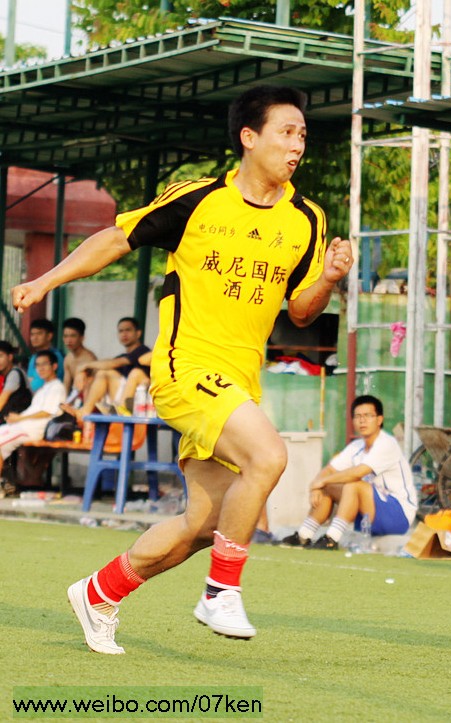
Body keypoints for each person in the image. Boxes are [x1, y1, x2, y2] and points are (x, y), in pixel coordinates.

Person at [12, 85, 353, 654]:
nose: (298, 146)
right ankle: (221, 591)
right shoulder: (199, 199)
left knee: (204, 525)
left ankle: (100, 592)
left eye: (302, 136)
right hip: (183, 368)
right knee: (269, 457)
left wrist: (328, 279)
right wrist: (46, 280)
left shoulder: (307, 219)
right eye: (287, 133)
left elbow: (299, 311)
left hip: (240, 384)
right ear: (250, 137)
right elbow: (115, 239)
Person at [280, 395, 417, 550]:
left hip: (398, 516)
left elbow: (358, 473)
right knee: (329, 486)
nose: (362, 420)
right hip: (372, 511)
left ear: (379, 420)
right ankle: (304, 536)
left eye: (368, 416)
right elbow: (330, 469)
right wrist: (317, 486)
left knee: (353, 485)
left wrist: (321, 481)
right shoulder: (356, 446)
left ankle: (332, 538)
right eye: (358, 416)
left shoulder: (387, 444)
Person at [62, 317, 150, 422]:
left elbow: (115, 363)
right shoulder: (122, 356)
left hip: (142, 403)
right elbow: (109, 364)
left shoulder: (143, 351)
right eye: (121, 331)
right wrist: (82, 372)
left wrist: (85, 366)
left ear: (138, 333)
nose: (124, 334)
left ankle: (114, 412)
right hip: (123, 400)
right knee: (102, 374)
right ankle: (85, 411)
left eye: (128, 330)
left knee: (129, 373)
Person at [0, 350, 65, 491]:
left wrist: (20, 418)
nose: (40, 368)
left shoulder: (57, 388)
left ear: (54, 366)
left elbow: (47, 412)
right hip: (21, 426)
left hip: (31, 429)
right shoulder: (43, 389)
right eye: (38, 365)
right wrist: (16, 419)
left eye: (44, 364)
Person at [61, 317, 98, 402]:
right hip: (73, 399)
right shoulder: (68, 358)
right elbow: (66, 386)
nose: (68, 340)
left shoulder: (89, 358)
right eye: (65, 336)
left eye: (73, 336)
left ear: (82, 338)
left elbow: (94, 386)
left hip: (88, 399)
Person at [26, 318, 65, 392]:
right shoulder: (34, 357)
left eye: (39, 334)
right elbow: (29, 380)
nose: (34, 338)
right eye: (32, 334)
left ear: (49, 336)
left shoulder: (56, 356)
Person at [0, 340, 32, 422]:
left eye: (0, 356)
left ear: (10, 357)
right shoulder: (8, 374)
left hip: (19, 421)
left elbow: (2, 400)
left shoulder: (14, 374)